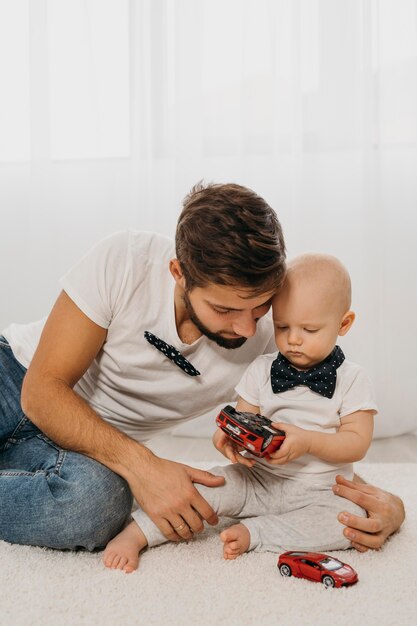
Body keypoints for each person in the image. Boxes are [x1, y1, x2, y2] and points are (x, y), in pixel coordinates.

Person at [0, 183, 404, 554]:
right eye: (225, 309)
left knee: (95, 507)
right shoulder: (125, 259)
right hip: (15, 377)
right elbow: (42, 392)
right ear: (179, 274)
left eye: (260, 306)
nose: (248, 328)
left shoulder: (279, 337)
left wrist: (391, 506)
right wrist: (145, 467)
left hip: (84, 446)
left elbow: (318, 447)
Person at [102, 252, 401, 573]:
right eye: (283, 326)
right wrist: (230, 437)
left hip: (320, 489)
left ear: (344, 324)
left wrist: (308, 442)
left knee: (343, 523)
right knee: (207, 488)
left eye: (309, 330)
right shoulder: (261, 368)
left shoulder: (352, 378)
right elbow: (244, 418)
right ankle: (137, 534)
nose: (294, 339)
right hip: (257, 478)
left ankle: (256, 533)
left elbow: (357, 443)